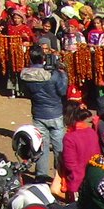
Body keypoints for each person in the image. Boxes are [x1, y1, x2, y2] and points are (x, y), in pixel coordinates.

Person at [19, 45, 70, 180]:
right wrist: (63, 74)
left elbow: (26, 93)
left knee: (41, 146)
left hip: (38, 114)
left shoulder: (26, 75)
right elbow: (62, 91)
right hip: (55, 114)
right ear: (43, 57)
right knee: (59, 148)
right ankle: (60, 177)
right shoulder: (53, 74)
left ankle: (41, 176)